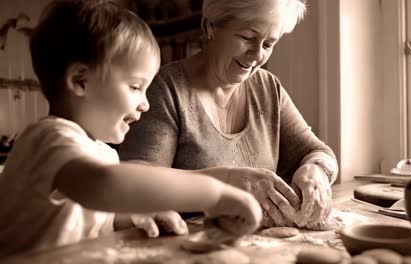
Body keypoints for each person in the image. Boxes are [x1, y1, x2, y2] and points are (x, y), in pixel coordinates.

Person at [0, 0, 262, 257]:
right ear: (81, 81)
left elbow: (95, 216)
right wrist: (214, 194)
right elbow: (102, 187)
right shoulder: (50, 140)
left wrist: (133, 215)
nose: (145, 104)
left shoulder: (101, 152)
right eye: (136, 87)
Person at [119, 0, 339, 229]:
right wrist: (227, 181)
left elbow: (319, 152)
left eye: (268, 44)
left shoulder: (268, 88)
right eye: (247, 38)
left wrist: (317, 172)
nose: (256, 55)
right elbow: (137, 183)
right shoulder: (165, 90)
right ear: (210, 26)